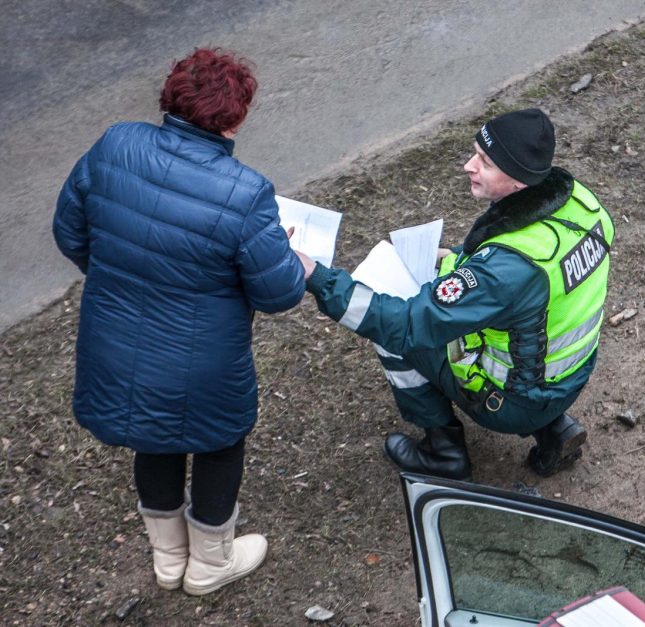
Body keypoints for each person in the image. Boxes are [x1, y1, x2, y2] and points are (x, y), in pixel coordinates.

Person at [53, 48, 313, 595]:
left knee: (154, 435)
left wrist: (122, 277)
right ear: (236, 117)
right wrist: (286, 256)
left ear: (168, 97)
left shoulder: (115, 144)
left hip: (115, 342)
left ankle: (169, 557)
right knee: (218, 441)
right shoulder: (245, 193)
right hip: (204, 361)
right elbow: (278, 293)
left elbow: (71, 232)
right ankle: (211, 563)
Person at [303, 108, 613, 479]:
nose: (468, 166)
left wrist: (317, 277)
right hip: (573, 373)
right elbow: (536, 291)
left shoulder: (507, 271)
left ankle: (443, 453)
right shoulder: (583, 204)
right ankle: (553, 427)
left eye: (485, 162)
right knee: (525, 337)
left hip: (513, 402)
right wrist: (456, 260)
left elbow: (406, 325)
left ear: (517, 181)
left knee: (390, 334)